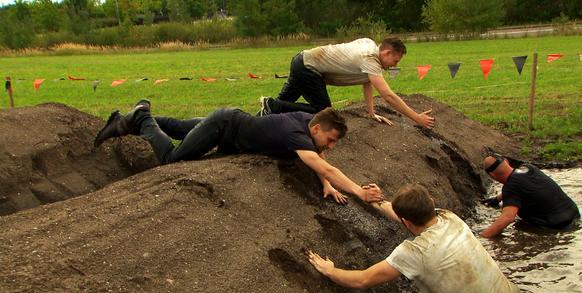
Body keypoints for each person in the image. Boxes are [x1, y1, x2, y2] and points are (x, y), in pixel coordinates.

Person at [308, 184, 527, 293]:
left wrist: (330, 270)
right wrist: (379, 202)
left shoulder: (413, 252)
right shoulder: (449, 217)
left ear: (406, 221)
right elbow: (409, 219)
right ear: (431, 204)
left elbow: (363, 279)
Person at [93, 100, 383, 204]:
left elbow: (320, 162)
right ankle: (142, 116)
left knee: (181, 128)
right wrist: (359, 191)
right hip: (225, 127)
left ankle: (135, 118)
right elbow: (323, 163)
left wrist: (327, 184)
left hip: (233, 127)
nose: (330, 147)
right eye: (331, 140)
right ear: (317, 129)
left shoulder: (308, 123)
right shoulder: (297, 135)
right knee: (172, 159)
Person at [259, 37, 435, 129]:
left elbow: (367, 82)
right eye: (395, 61)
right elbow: (388, 95)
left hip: (303, 60)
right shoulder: (370, 60)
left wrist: (371, 113)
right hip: (309, 68)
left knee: (279, 107)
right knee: (324, 112)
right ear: (387, 52)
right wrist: (416, 118)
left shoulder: (369, 44)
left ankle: (256, 120)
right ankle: (272, 105)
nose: (394, 66)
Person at [480, 154, 580, 238]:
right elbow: (522, 187)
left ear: (492, 175)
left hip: (557, 226)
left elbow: (508, 217)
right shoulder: (528, 168)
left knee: (520, 226)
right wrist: (497, 199)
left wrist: (483, 237)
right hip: (574, 214)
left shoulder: (510, 188)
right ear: (506, 161)